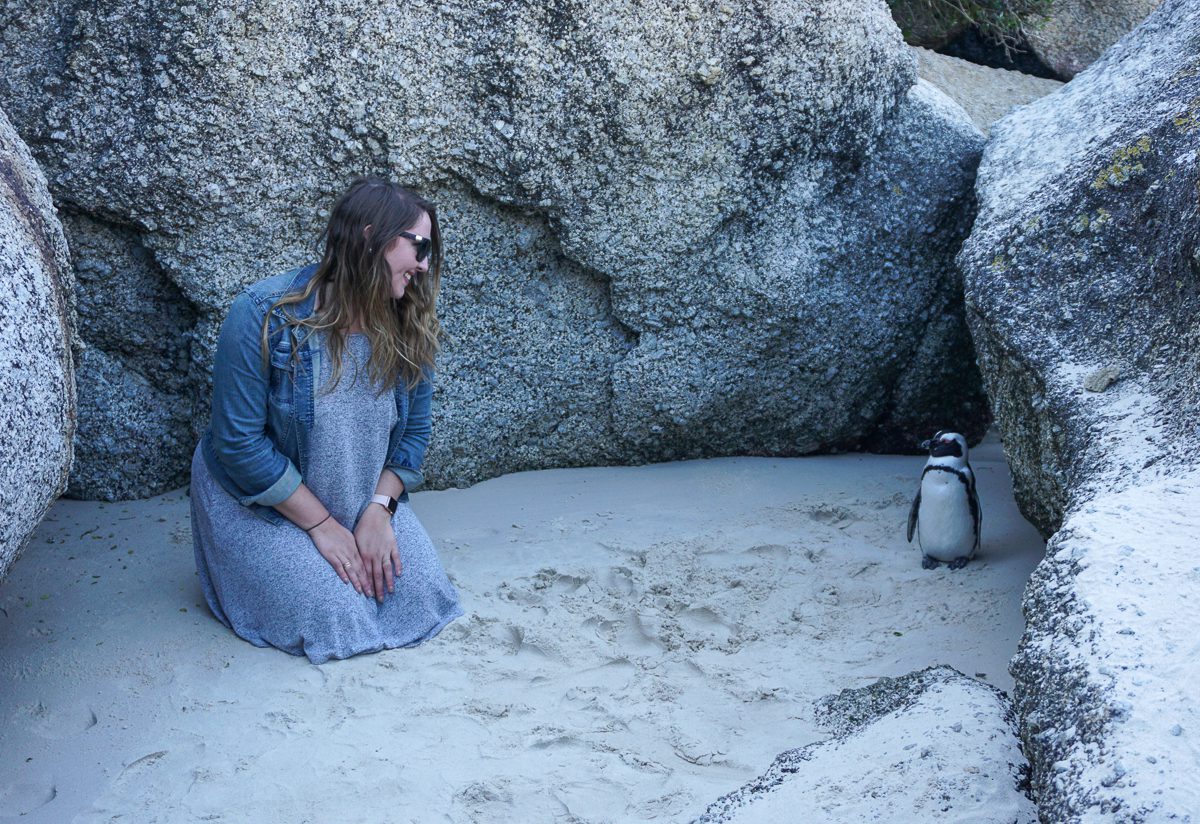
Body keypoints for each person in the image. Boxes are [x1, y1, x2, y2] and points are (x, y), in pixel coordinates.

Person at [190, 177, 462, 664]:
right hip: (260, 505)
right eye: (418, 246)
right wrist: (322, 526)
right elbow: (238, 445)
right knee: (337, 617)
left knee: (422, 601)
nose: (424, 265)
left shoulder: (408, 322)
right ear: (370, 237)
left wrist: (379, 510)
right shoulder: (262, 314)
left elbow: (414, 436)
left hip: (360, 497)